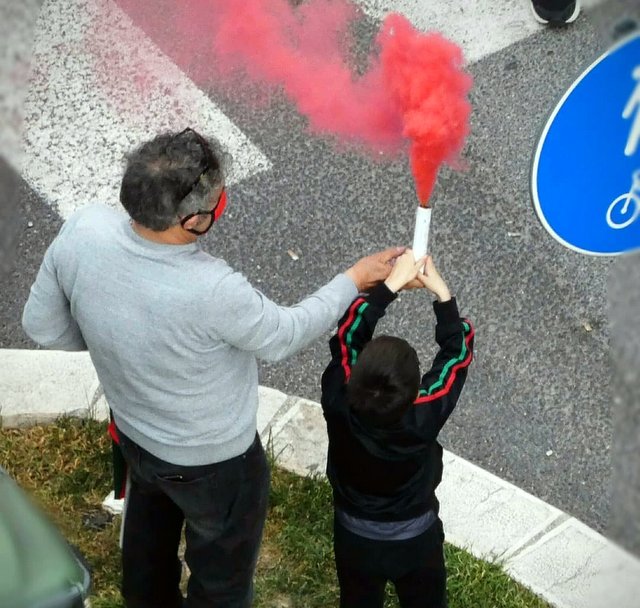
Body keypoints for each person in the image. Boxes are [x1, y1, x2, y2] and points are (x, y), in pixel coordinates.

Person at [21, 127, 405, 608]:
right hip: (216, 464)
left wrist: (120, 342)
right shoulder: (215, 290)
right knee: (221, 575)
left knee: (148, 546)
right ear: (196, 219)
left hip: (136, 437)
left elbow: (43, 327)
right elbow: (284, 335)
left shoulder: (83, 230)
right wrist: (355, 278)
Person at [320, 250, 475, 608]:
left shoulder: (338, 398)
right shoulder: (423, 414)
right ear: (414, 390)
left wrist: (389, 286)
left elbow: (346, 339)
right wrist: (442, 294)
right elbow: (456, 356)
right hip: (415, 537)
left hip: (353, 533)